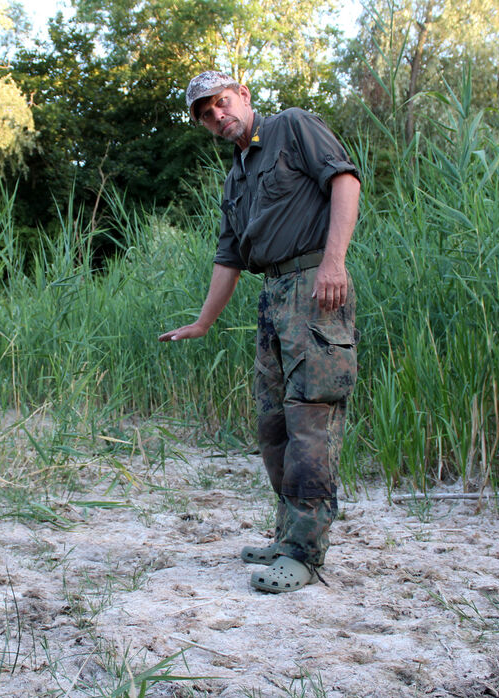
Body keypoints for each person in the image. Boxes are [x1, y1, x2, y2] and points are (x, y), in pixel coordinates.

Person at [159, 71, 361, 593]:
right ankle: (285, 536)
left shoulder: (293, 127)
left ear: (243, 96)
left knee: (311, 420)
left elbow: (345, 180)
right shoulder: (236, 175)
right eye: (205, 114)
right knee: (274, 426)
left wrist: (333, 263)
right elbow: (229, 255)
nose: (217, 116)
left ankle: (305, 554)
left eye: (221, 103)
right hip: (272, 297)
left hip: (316, 287)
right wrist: (204, 322)